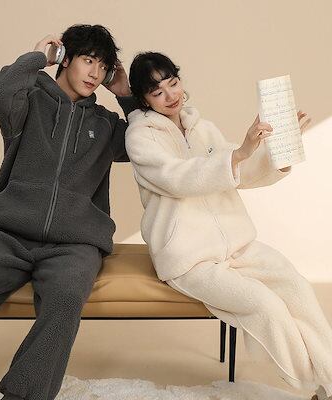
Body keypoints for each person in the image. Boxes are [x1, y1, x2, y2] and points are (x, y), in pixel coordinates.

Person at [0, 25, 137, 400]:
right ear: (65, 59)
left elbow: (148, 143)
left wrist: (125, 96)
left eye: (103, 66)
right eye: (88, 60)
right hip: (6, 234)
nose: (95, 73)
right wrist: (37, 58)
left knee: (66, 297)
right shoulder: (28, 100)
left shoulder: (106, 125)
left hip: (73, 244)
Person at [125, 51, 332, 400]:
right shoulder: (140, 138)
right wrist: (238, 154)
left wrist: (281, 150)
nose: (170, 95)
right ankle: (314, 385)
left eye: (173, 83)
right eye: (157, 92)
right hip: (190, 259)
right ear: (144, 99)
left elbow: (240, 173)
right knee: (265, 306)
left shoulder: (203, 128)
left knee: (297, 288)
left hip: (238, 246)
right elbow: (178, 177)